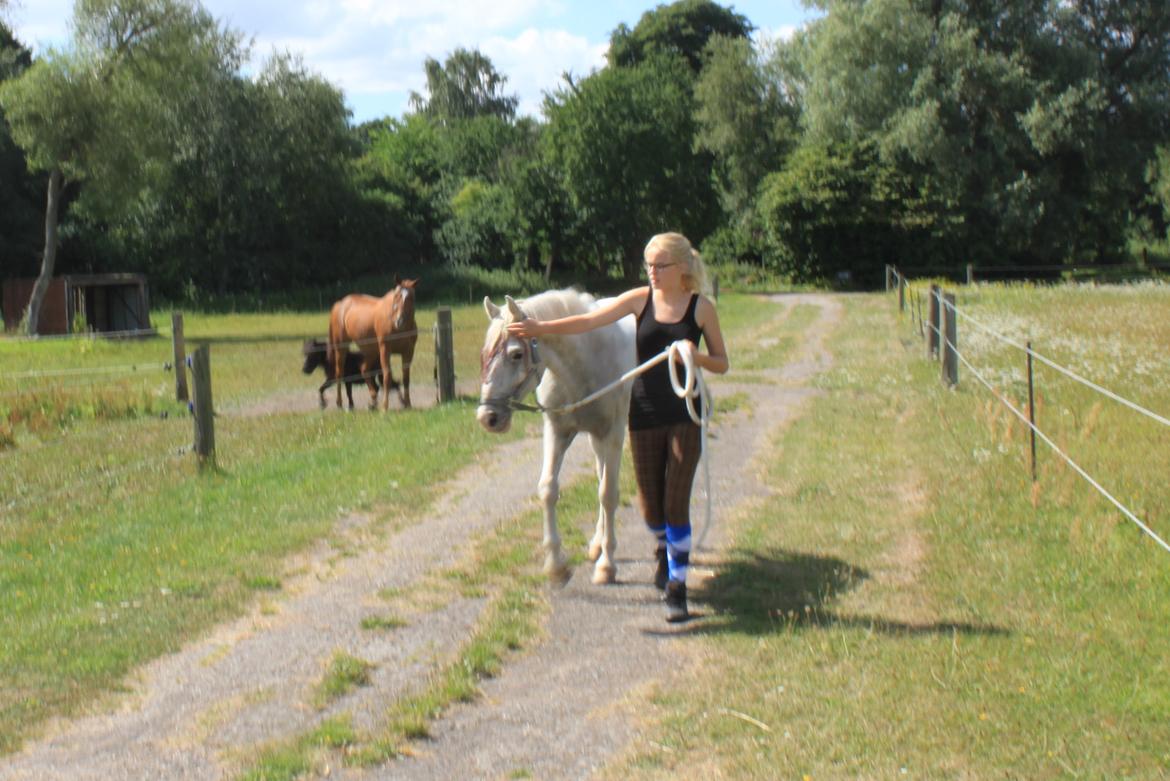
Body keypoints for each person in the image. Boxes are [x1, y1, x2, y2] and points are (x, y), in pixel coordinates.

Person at [507, 232, 729, 622]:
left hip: (684, 412)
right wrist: (540, 329)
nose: (652, 273)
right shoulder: (638, 300)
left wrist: (695, 355)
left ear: (681, 269)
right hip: (643, 416)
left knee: (676, 503)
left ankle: (677, 586)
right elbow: (589, 320)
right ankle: (663, 546)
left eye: (660, 266)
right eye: (649, 266)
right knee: (651, 509)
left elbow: (722, 362)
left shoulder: (701, 309)